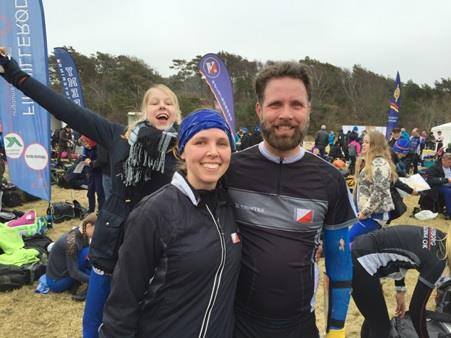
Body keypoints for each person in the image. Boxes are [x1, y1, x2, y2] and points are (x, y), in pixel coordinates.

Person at [0, 49, 180, 338]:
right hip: (111, 249)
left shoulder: (184, 151)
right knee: (94, 324)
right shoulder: (118, 136)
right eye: (155, 102)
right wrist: (13, 73)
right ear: (144, 111)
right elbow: (64, 108)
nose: (162, 106)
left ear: (176, 113)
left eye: (169, 102)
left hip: (154, 254)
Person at [225, 62, 356, 338]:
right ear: (259, 109)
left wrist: (337, 329)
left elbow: (339, 263)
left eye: (296, 104)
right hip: (236, 323)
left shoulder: (330, 180)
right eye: (275, 104)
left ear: (308, 109)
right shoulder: (230, 171)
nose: (286, 114)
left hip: (299, 326)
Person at [99, 109, 241, 338]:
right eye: (201, 142)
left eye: (222, 143)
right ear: (181, 151)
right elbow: (123, 301)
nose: (213, 152)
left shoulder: (230, 205)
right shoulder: (154, 211)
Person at [352, 225, 449, 338]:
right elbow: (416, 308)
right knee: (382, 328)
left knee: (373, 320)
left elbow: (402, 250)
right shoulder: (438, 262)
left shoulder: (439, 237)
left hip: (361, 249)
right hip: (362, 260)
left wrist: (400, 290)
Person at [349, 130, 397, 242]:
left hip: (373, 216)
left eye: (367, 142)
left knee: (348, 242)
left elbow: (379, 192)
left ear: (375, 145)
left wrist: (365, 212)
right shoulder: (367, 161)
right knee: (356, 245)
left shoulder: (379, 164)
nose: (363, 144)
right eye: (363, 141)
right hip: (364, 214)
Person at [46, 213, 96, 295]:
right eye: (96, 230)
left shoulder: (82, 234)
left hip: (66, 270)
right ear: (89, 226)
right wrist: (93, 281)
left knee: (87, 254)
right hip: (56, 282)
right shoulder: (72, 243)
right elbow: (73, 272)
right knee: (91, 276)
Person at [419, 151, 451, 216]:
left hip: (448, 185)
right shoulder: (434, 167)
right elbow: (430, 180)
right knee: (448, 192)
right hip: (438, 186)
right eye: (449, 162)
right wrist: (446, 180)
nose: (450, 164)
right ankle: (449, 212)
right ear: (443, 160)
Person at [79, 135, 105, 213]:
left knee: (100, 192)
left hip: (99, 172)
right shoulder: (85, 148)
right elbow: (83, 157)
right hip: (90, 171)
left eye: (87, 144)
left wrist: (92, 162)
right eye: (84, 145)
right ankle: (91, 209)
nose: (86, 146)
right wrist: (85, 159)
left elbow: (102, 160)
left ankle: (101, 210)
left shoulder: (98, 146)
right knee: (90, 191)